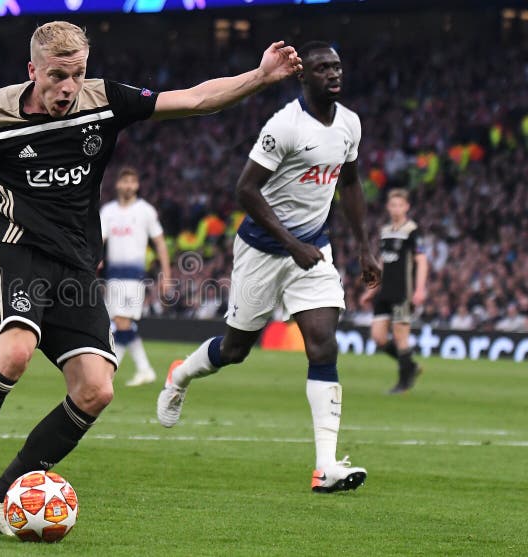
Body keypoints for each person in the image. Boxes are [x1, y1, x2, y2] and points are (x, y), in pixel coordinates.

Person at [0, 21, 301, 531]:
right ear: (31, 70)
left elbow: (193, 99)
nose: (66, 88)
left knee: (96, 390)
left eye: (76, 75)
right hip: (15, 251)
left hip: (76, 265)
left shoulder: (103, 99)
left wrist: (259, 77)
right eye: (56, 75)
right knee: (10, 352)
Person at [156, 41, 381, 494]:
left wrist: (363, 246)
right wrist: (290, 242)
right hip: (262, 251)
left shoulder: (350, 124)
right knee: (236, 350)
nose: (333, 74)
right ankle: (180, 375)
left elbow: (351, 183)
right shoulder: (284, 126)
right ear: (304, 77)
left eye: (337, 66)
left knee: (322, 345)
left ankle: (326, 467)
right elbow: (246, 191)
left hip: (313, 251)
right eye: (322, 68)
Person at [100, 166, 171, 386]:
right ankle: (141, 369)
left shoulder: (145, 211)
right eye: (125, 181)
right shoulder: (108, 211)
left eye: (132, 181)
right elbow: (99, 240)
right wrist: (95, 260)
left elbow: (159, 243)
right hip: (113, 275)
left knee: (121, 320)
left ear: (137, 185)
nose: (128, 185)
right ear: (118, 184)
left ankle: (117, 371)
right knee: (120, 322)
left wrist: (166, 275)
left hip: (133, 275)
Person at [360, 188, 427, 394]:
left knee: (400, 337)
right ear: (388, 207)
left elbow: (422, 261)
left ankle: (403, 382)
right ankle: (411, 366)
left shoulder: (413, 231)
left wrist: (419, 289)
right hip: (385, 292)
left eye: (400, 205)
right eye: (393, 205)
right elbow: (382, 261)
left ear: (407, 207)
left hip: (402, 291)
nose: (396, 208)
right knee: (378, 337)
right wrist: (371, 288)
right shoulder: (385, 231)